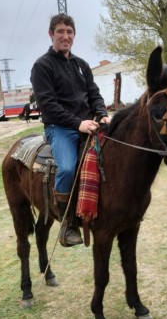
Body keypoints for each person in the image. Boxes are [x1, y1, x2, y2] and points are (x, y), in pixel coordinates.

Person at [30, 13, 110, 247]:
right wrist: (78, 124)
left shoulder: (81, 65)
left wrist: (102, 113)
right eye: (60, 32)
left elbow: (94, 94)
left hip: (89, 125)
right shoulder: (42, 66)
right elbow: (49, 106)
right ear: (51, 34)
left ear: (74, 35)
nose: (65, 36)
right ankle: (67, 224)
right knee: (66, 168)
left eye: (69, 32)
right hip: (60, 128)